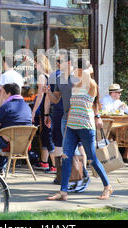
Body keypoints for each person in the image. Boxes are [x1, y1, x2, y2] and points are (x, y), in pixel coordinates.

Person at [47, 58, 112, 201]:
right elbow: (71, 106)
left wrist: (86, 68)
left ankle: (107, 187)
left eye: (77, 68)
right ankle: (63, 192)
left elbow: (89, 74)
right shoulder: (75, 84)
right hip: (71, 126)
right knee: (66, 157)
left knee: (92, 159)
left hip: (86, 127)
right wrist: (68, 123)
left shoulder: (91, 85)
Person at [44, 52, 92, 192]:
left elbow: (91, 96)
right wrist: (48, 93)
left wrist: (96, 116)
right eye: (58, 61)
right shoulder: (59, 79)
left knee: (82, 150)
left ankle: (85, 178)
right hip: (66, 119)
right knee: (69, 150)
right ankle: (75, 180)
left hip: (79, 117)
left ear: (70, 63)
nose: (58, 63)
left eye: (61, 61)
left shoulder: (79, 78)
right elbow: (56, 99)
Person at [0, 83, 32, 173]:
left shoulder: (5, 107)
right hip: (24, 144)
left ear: (9, 94)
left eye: (3, 93)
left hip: (7, 144)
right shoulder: (27, 107)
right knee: (6, 135)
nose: (2, 95)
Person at [32, 54, 56, 173]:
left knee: (47, 135)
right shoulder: (50, 75)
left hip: (45, 108)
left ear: (40, 64)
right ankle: (45, 162)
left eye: (35, 64)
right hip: (51, 108)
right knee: (45, 135)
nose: (35, 66)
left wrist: (33, 111)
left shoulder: (42, 76)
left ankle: (55, 165)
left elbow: (40, 95)